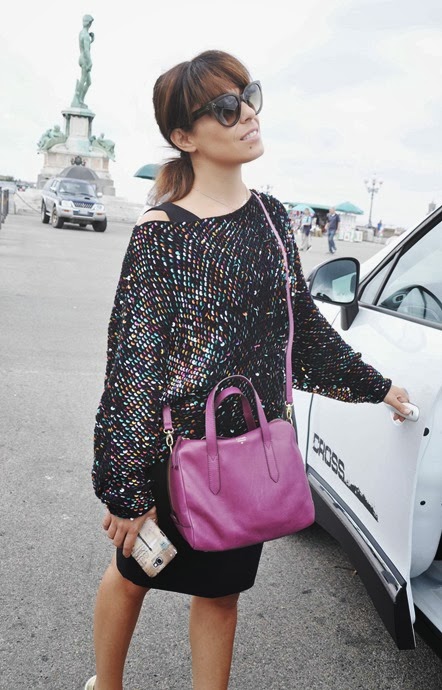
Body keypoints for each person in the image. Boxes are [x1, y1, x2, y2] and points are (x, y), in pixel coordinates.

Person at [86, 50, 411, 690]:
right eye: (227, 107)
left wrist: (377, 387)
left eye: (249, 96)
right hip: (173, 450)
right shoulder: (161, 233)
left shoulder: (271, 217)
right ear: (185, 136)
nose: (249, 115)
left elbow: (302, 330)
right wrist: (125, 488)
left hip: (250, 450)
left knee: (222, 595)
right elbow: (132, 367)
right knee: (134, 574)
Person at [71, 14, 95, 109]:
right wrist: (90, 62)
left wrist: (91, 40)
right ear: (89, 23)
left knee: (88, 82)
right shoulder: (85, 35)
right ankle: (78, 98)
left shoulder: (82, 33)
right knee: (84, 79)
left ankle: (80, 99)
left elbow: (84, 45)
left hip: (82, 57)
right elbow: (86, 50)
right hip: (85, 59)